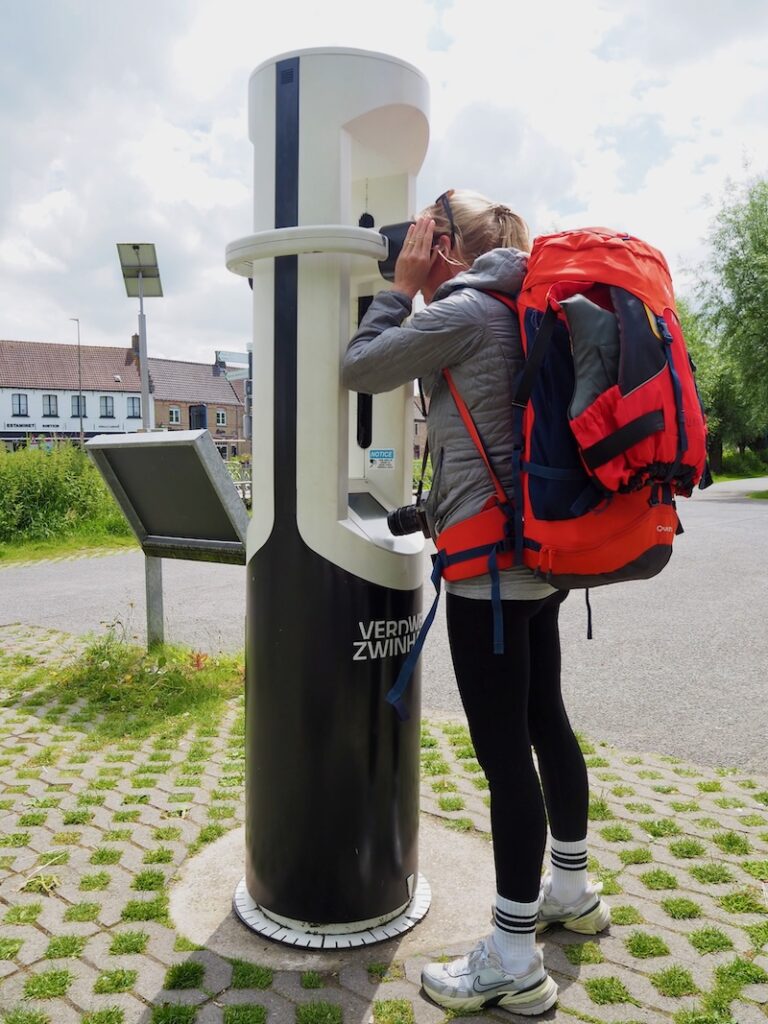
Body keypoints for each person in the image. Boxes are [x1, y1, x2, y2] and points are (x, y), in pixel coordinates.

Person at [342, 190, 610, 1017]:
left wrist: (398, 286)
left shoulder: (462, 310)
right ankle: (572, 889)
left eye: (427, 226)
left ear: (449, 242)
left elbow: (357, 367)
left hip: (487, 570)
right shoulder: (527, 305)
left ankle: (513, 959)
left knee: (503, 758)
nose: (414, 237)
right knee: (544, 719)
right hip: (543, 555)